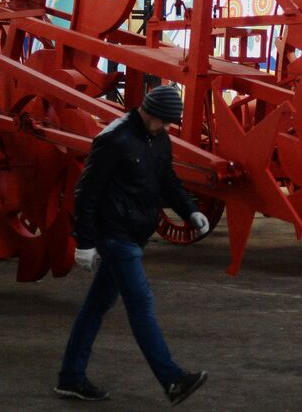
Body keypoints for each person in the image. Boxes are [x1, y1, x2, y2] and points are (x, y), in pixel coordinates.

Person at [56, 84, 211, 405]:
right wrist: (84, 242)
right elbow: (86, 192)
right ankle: (172, 380)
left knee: (95, 307)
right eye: (165, 121)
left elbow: (167, 181)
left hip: (135, 233)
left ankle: (70, 377)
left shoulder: (159, 138)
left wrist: (190, 211)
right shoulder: (115, 139)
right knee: (141, 304)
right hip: (114, 234)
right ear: (151, 113)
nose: (167, 127)